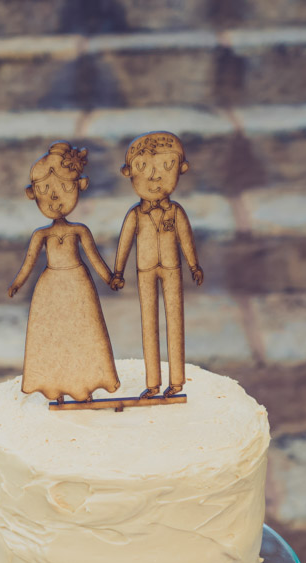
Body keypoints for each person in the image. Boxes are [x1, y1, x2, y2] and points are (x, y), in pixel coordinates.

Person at [8, 142, 123, 403]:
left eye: (64, 188)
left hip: (78, 283)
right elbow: (28, 264)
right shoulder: (41, 235)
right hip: (50, 286)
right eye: (45, 190)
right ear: (33, 194)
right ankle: (56, 388)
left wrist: (110, 279)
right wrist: (17, 283)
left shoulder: (79, 231)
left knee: (84, 331)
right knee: (54, 334)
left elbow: (94, 258)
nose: (54, 197)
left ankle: (85, 385)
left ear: (79, 187)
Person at [111, 132, 204, 399]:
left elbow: (186, 238)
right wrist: (118, 271)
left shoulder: (176, 212)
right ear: (129, 172)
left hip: (173, 269)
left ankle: (176, 381)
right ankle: (152, 382)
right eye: (143, 167)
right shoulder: (134, 215)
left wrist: (194, 265)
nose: (154, 177)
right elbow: (124, 243)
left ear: (181, 169)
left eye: (166, 166)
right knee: (148, 324)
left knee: (175, 322)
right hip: (145, 270)